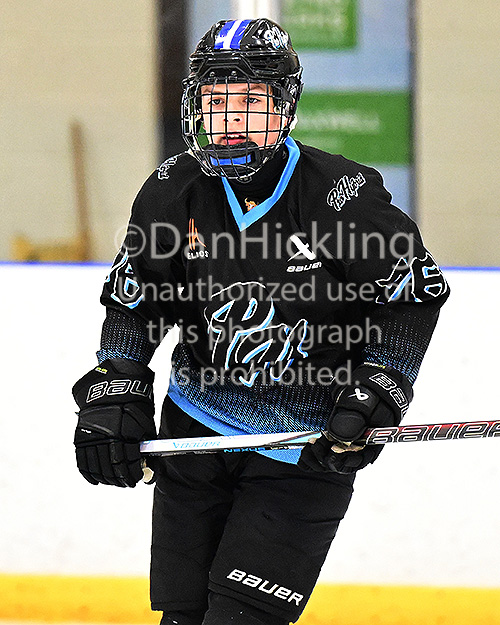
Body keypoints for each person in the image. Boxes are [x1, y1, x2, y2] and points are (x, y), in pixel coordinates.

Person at [72, 18, 449, 625]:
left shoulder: (339, 196)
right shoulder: (172, 192)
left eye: (251, 100)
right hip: (193, 430)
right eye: (216, 100)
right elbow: (136, 298)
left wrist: (383, 383)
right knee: (181, 619)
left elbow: (413, 292)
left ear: (286, 105)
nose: (231, 119)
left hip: (305, 448)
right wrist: (118, 385)